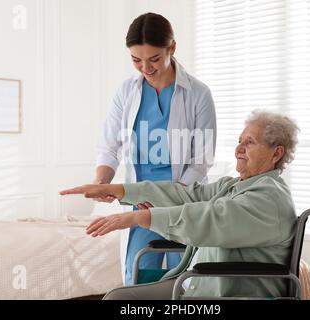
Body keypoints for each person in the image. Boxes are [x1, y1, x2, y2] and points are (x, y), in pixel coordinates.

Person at [60, 110, 299, 299]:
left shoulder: (268, 199)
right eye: (239, 141)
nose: (239, 148)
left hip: (227, 293)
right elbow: (187, 196)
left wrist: (139, 218)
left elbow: (208, 219)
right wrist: (118, 190)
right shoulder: (237, 185)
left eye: (250, 142)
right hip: (198, 284)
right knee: (119, 296)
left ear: (276, 153)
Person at [93, 13, 217, 285]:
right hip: (140, 202)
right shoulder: (126, 92)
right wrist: (102, 181)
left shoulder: (198, 94)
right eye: (136, 60)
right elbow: (109, 147)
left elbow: (201, 160)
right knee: (136, 279)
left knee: (182, 281)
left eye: (154, 59)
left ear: (171, 48)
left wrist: (168, 198)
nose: (145, 68)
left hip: (182, 204)